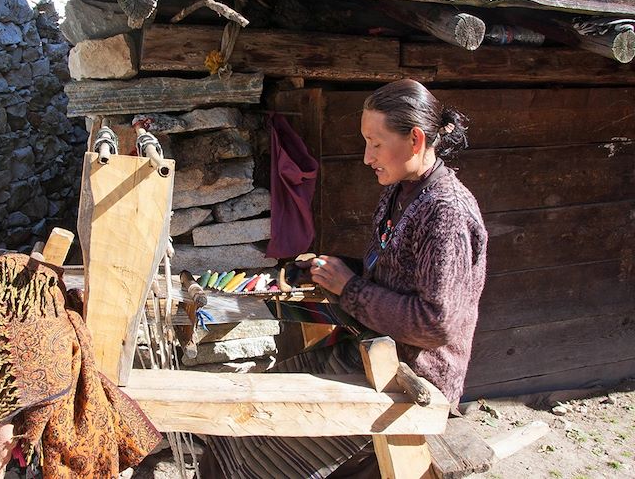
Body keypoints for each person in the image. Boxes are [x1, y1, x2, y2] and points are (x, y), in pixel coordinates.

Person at [200, 79, 487, 478]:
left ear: (416, 139)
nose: (367, 157)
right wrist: (336, 270)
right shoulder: (402, 191)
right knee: (236, 423)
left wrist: (349, 287)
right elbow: (392, 276)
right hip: (369, 353)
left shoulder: (446, 212)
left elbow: (435, 323)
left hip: (408, 378)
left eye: (376, 143)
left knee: (255, 449)